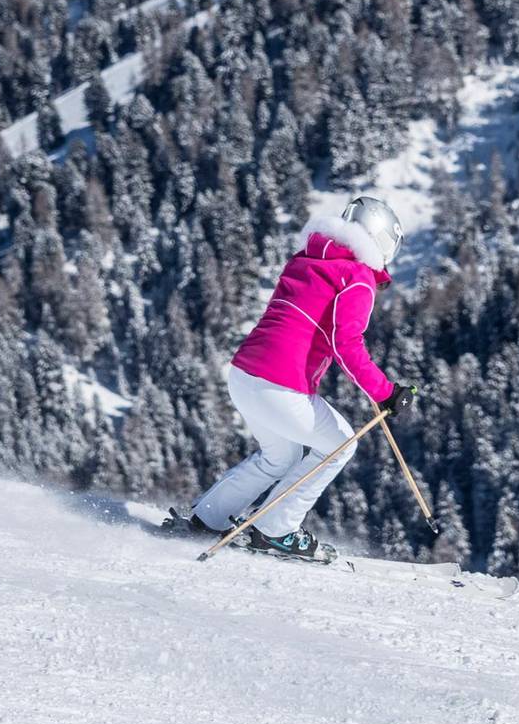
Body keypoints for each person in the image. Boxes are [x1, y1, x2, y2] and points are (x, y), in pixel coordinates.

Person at [176, 197, 418, 560]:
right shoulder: (357, 278)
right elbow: (345, 343)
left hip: (244, 375)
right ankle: (276, 530)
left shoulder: (307, 259)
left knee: (281, 454)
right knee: (340, 444)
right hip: (279, 384)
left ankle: (207, 518)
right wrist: (386, 392)